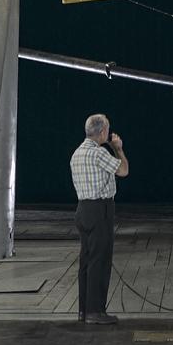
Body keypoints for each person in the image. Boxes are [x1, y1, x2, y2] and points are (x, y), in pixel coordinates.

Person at [69, 112, 128, 324]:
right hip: (100, 210)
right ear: (102, 131)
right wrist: (118, 148)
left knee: (86, 260)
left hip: (83, 209)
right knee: (100, 260)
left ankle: (83, 310)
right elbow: (123, 171)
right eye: (107, 129)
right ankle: (96, 312)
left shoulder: (77, 153)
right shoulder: (99, 153)